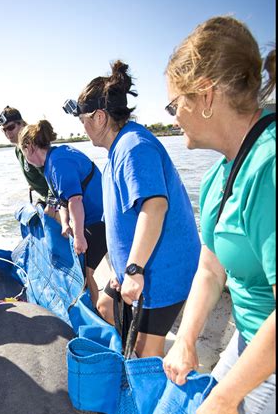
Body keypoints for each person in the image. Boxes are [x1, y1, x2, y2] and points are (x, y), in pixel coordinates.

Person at [163, 16, 275, 414]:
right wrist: (184, 339)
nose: (172, 114)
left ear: (206, 95)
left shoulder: (271, 170)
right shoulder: (220, 175)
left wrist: (229, 395)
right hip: (248, 332)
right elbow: (211, 269)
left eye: (176, 101)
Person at [65, 60, 201, 358]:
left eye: (83, 120)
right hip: (136, 268)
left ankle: (160, 371)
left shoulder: (134, 147)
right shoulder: (118, 148)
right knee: (105, 306)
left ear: (99, 117)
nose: (83, 128)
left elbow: (154, 206)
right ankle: (147, 354)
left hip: (160, 272)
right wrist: (117, 269)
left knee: (144, 353)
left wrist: (134, 269)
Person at [18, 120, 107, 307]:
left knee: (85, 271)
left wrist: (80, 236)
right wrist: (66, 224)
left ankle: (98, 313)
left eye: (24, 152)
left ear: (31, 147)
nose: (25, 158)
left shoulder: (58, 163)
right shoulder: (53, 160)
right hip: (91, 219)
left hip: (101, 221)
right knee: (82, 269)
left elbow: (76, 200)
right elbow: (64, 201)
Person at [0, 105, 50, 203]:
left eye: (11, 127)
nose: (7, 133)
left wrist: (52, 202)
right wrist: (33, 183)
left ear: (22, 124)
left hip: (57, 199)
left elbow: (54, 177)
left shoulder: (34, 146)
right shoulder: (18, 150)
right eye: (4, 130)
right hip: (45, 198)